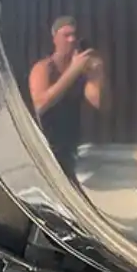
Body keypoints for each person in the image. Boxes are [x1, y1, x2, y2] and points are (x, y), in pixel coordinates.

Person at [28, 16, 104, 169]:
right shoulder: (44, 68)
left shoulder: (82, 68)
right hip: (46, 146)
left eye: (74, 35)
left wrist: (97, 76)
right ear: (54, 38)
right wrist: (72, 71)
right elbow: (40, 105)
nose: (71, 40)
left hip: (71, 146)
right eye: (66, 35)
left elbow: (99, 105)